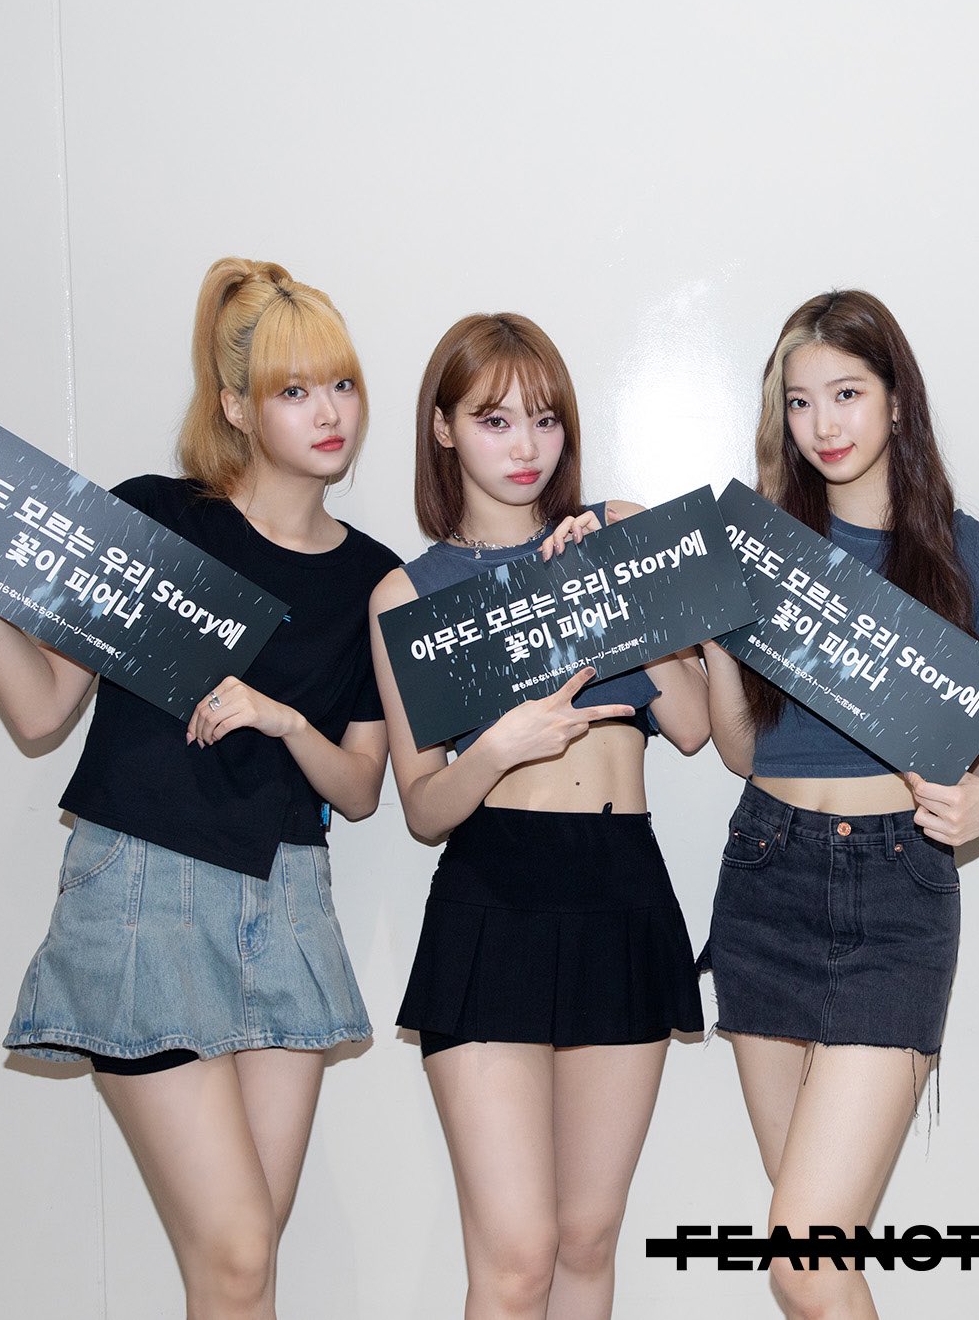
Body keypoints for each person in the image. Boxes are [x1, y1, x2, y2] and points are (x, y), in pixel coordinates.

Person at [0, 257, 399, 1319]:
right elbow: (41, 710)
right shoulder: (158, 521)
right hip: (144, 893)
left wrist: (285, 718)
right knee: (236, 1254)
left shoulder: (370, 575)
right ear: (235, 407)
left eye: (340, 384)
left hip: (286, 903)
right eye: (293, 390)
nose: (329, 413)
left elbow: (364, 787)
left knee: (243, 1265)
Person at [366, 312, 707, 1320]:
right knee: (516, 1260)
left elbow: (693, 727)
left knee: (587, 1241)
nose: (526, 447)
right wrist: (500, 747)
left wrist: (620, 585)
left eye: (546, 419)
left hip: (621, 888)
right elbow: (423, 806)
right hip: (494, 895)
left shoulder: (614, 530)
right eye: (495, 420)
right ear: (442, 429)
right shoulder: (408, 593)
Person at [700, 289, 979, 1318]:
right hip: (764, 874)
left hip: (896, 890)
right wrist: (715, 632)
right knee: (816, 1258)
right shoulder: (762, 549)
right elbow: (741, 750)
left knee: (801, 1258)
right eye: (799, 402)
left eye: (845, 393)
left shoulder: (976, 557)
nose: (823, 425)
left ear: (896, 400)